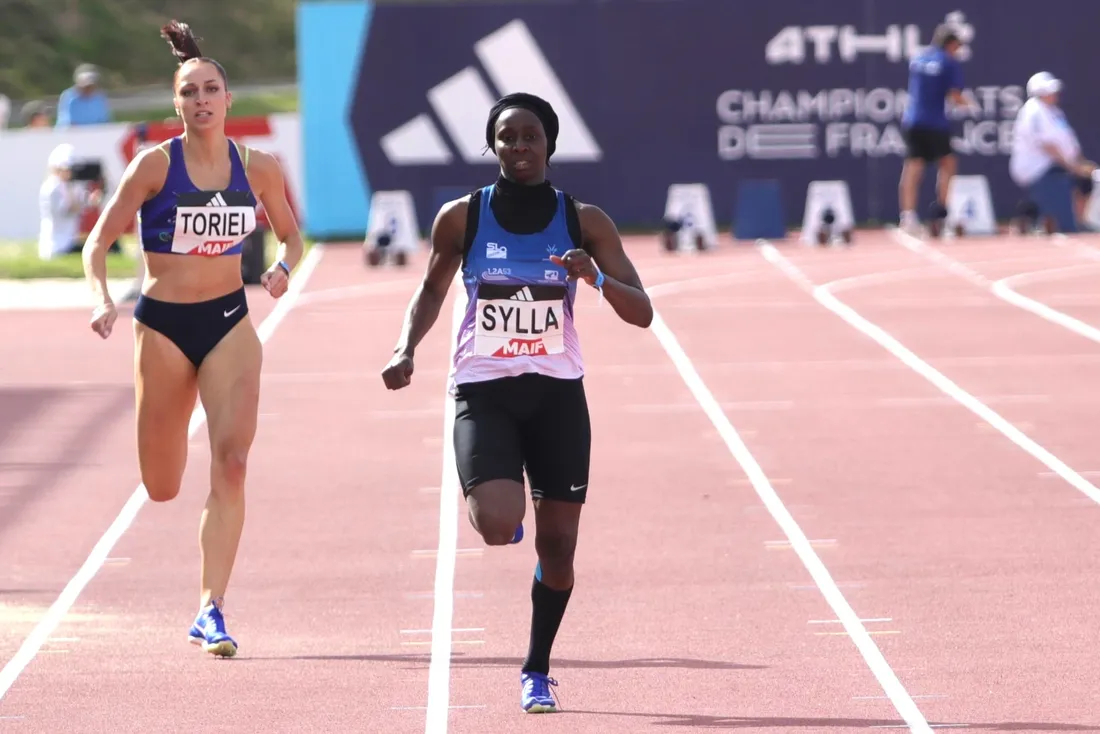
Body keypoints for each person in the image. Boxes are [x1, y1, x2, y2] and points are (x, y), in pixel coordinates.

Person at [380, 92, 653, 713]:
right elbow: (429, 291)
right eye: (507, 137)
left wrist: (597, 278)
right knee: (497, 525)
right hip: (484, 390)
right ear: (492, 145)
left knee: (557, 550)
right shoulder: (463, 218)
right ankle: (506, 501)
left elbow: (644, 313)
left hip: (557, 395)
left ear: (550, 144)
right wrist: (405, 349)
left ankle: (536, 668)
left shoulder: (585, 221)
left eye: (531, 136)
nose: (519, 147)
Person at [81, 19, 305, 658]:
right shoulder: (154, 167)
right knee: (162, 484)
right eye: (189, 92)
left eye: (211, 89)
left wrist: (282, 268)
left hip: (231, 322)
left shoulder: (257, 168)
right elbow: (99, 242)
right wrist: (101, 300)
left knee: (233, 463)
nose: (201, 100)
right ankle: (166, 448)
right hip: (164, 328)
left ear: (228, 100)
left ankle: (211, 608)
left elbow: (290, 235)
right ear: (176, 104)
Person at [898, 24, 967, 237]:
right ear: (951, 44)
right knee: (947, 164)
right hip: (935, 122)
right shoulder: (948, 61)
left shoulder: (918, 59)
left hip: (913, 120)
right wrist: (968, 105)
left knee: (913, 167)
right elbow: (954, 95)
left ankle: (907, 216)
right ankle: (941, 214)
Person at [1008, 71, 1096, 234]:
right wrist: (1073, 167)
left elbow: (1070, 145)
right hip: (1037, 169)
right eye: (1049, 91)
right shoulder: (1033, 111)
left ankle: (1080, 220)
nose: (1054, 94)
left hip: (1057, 166)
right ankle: (1049, 221)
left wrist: (1083, 165)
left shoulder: (1055, 112)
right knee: (1061, 183)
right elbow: (1048, 146)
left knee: (1086, 182)